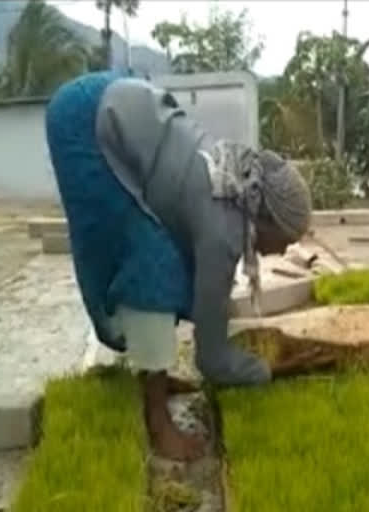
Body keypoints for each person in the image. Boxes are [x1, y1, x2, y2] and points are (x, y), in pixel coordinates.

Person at [45, 71, 317, 461]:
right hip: (87, 124)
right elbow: (212, 359)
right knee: (153, 271)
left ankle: (153, 371)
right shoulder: (223, 228)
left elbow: (209, 299)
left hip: (115, 104)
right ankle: (158, 423)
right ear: (267, 217)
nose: (282, 250)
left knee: (171, 262)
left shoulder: (235, 183)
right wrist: (264, 371)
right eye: (286, 240)